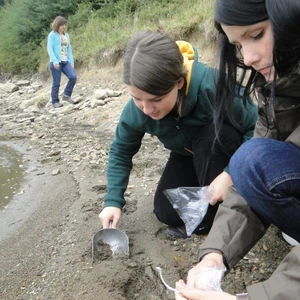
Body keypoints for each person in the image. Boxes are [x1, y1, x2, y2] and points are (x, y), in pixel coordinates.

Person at [175, 0, 300, 299]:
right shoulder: (278, 86)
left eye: (257, 35)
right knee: (249, 161)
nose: (249, 58)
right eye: (238, 45)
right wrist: (214, 256)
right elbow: (249, 176)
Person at [99, 30, 258, 239]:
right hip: (186, 154)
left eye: (156, 99)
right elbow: (121, 151)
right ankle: (212, 212)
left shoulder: (213, 85)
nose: (147, 109)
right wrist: (112, 201)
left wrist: (230, 174)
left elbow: (258, 127)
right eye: (137, 98)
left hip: (226, 151)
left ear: (179, 83)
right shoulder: (137, 111)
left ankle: (235, 209)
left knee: (210, 142)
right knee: (167, 212)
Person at [47, 16, 77, 108]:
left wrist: (71, 61)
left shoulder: (66, 35)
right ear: (57, 25)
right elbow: (50, 49)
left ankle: (66, 95)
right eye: (61, 25)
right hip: (56, 62)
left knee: (73, 77)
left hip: (65, 61)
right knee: (56, 82)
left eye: (64, 25)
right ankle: (55, 102)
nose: (64, 26)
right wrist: (55, 61)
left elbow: (69, 49)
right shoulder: (52, 35)